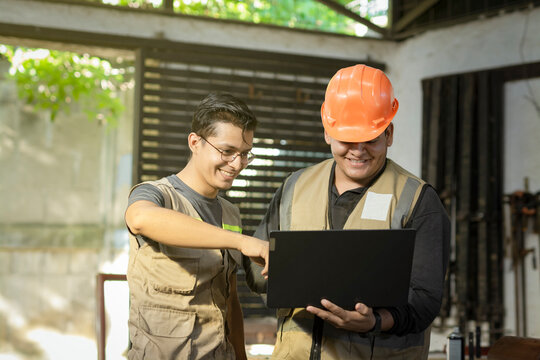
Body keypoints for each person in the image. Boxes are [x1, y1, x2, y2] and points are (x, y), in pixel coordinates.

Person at [245, 64, 450, 359]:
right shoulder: (294, 187)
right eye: (347, 139)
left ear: (388, 134)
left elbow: (426, 299)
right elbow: (255, 272)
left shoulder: (418, 200)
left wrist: (375, 321)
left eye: (371, 139)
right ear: (327, 133)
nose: (358, 150)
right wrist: (274, 268)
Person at [125, 92, 268, 360]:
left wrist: (240, 355)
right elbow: (140, 218)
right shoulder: (156, 194)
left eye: (245, 154)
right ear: (195, 142)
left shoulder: (230, 213)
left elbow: (230, 299)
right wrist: (242, 241)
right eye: (227, 151)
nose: (237, 164)